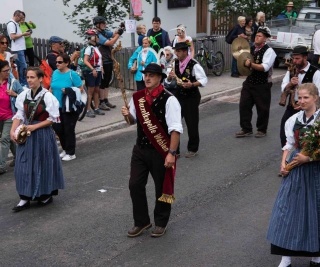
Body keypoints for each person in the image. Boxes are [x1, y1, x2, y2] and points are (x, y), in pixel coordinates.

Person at [121, 63, 183, 238]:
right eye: (145, 75)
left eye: (151, 75)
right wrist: (127, 114)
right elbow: (132, 121)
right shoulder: (138, 97)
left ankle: (161, 222)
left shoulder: (170, 99)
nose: (147, 78)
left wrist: (171, 153)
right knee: (135, 184)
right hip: (140, 149)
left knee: (161, 189)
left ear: (160, 78)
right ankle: (142, 221)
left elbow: (175, 129)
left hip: (161, 151)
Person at [267, 83, 320, 267]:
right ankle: (286, 257)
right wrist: (283, 164)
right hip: (295, 168)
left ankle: (316, 256)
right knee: (288, 210)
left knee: (316, 211)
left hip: (315, 170)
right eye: (300, 97)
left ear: (315, 98)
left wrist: (310, 157)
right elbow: (288, 145)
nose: (302, 101)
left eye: (306, 97)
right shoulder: (294, 119)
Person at [10, 67, 64, 212]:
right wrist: (13, 130)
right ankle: (24, 197)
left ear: (40, 79)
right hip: (26, 133)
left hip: (42, 134)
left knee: (43, 164)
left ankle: (45, 195)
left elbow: (53, 119)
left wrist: (35, 127)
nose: (29, 80)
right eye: (27, 77)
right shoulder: (24, 95)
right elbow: (19, 115)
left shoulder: (48, 97)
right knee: (22, 165)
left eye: (32, 77)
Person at [166, 41, 208, 158]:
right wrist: (169, 77)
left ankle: (193, 149)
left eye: (178, 51)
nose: (176, 54)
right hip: (178, 96)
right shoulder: (174, 63)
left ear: (185, 52)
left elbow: (204, 80)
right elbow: (168, 81)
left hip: (191, 96)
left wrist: (193, 84)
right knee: (175, 122)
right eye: (176, 51)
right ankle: (175, 150)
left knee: (191, 123)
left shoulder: (194, 64)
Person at [235, 28, 276, 138]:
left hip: (262, 83)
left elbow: (265, 67)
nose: (257, 37)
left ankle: (262, 129)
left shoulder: (269, 51)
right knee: (244, 105)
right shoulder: (251, 48)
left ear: (265, 38)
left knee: (262, 108)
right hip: (250, 81)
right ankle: (246, 128)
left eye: (260, 36)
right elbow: (242, 59)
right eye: (256, 35)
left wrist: (251, 65)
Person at [279, 45, 320, 147]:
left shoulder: (315, 72)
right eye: (293, 58)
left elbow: (318, 93)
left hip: (308, 110)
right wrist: (290, 84)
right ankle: (287, 158)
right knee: (284, 133)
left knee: (305, 136)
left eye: (297, 58)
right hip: (292, 107)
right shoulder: (291, 70)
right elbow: (283, 88)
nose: (294, 61)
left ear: (305, 58)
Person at [50, 53, 82, 161]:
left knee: (68, 129)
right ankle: (65, 149)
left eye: (60, 62)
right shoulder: (55, 73)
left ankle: (71, 152)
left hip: (69, 107)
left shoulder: (72, 74)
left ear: (67, 63)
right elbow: (52, 88)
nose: (57, 64)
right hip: (56, 106)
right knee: (58, 129)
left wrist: (68, 90)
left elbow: (80, 88)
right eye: (56, 62)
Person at [0, 60, 23, 174]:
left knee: (4, 139)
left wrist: (15, 94)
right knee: (10, 139)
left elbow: (24, 96)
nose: (8, 73)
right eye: (5, 71)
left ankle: (1, 166)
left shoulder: (13, 82)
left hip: (10, 116)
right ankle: (19, 157)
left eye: (8, 70)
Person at [94, 16, 121, 110]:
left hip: (108, 58)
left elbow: (113, 34)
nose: (105, 25)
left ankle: (105, 100)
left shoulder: (104, 32)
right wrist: (118, 35)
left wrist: (120, 29)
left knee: (107, 81)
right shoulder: (97, 34)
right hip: (102, 60)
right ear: (97, 25)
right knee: (103, 81)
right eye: (103, 23)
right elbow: (109, 43)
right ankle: (101, 102)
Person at [82, 29, 105, 118]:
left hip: (98, 70)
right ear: (92, 38)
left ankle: (96, 108)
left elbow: (99, 59)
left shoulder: (96, 48)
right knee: (90, 91)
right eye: (97, 36)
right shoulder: (89, 48)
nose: (98, 38)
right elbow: (85, 60)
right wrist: (92, 69)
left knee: (97, 90)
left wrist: (101, 68)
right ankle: (88, 110)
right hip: (91, 72)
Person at [7, 10, 31, 86]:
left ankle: (22, 82)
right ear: (16, 16)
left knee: (20, 66)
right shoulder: (11, 24)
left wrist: (24, 34)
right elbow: (12, 36)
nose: (21, 20)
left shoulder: (15, 24)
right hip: (17, 49)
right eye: (20, 18)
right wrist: (23, 34)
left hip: (19, 49)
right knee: (23, 66)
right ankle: (23, 83)